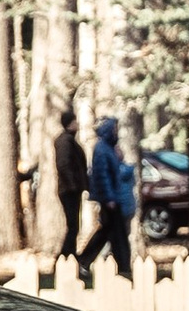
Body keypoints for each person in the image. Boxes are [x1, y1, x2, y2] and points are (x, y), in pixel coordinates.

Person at [79, 113, 135, 280]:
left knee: (109, 233)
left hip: (113, 197)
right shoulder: (102, 149)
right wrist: (109, 198)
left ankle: (86, 262)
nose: (116, 132)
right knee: (115, 234)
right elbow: (102, 176)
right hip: (110, 200)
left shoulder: (108, 149)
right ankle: (123, 267)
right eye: (114, 129)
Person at [52, 105, 88, 260]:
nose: (78, 125)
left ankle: (69, 255)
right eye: (75, 122)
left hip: (71, 188)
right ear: (69, 123)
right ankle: (65, 256)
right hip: (68, 190)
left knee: (74, 225)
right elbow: (64, 165)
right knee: (73, 225)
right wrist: (73, 185)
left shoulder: (69, 140)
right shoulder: (65, 142)